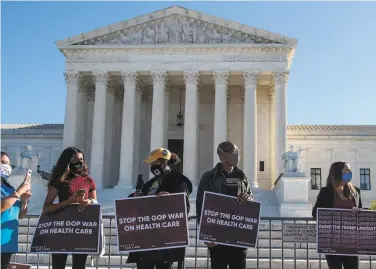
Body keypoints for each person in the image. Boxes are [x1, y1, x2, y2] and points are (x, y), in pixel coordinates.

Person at [126, 148, 193, 269]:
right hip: (145, 239)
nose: (151, 165)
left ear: (164, 162)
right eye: (151, 163)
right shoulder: (151, 183)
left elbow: (184, 206)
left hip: (165, 241)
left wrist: (170, 199)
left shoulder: (178, 180)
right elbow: (137, 202)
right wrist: (134, 196)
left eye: (154, 162)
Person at [196, 141, 253, 269]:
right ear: (222, 155)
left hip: (238, 234)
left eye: (237, 152)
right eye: (233, 152)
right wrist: (206, 234)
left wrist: (248, 198)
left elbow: (250, 197)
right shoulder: (209, 177)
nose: (236, 155)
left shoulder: (241, 176)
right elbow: (201, 205)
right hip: (217, 235)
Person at [43, 147, 98, 269]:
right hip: (61, 228)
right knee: (58, 265)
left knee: (79, 265)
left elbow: (95, 201)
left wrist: (88, 200)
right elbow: (46, 208)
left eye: (81, 160)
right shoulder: (60, 181)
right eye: (75, 160)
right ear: (67, 162)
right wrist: (68, 202)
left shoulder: (89, 180)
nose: (79, 163)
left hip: (81, 228)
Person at [312, 161, 362, 269]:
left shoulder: (355, 191)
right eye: (346, 171)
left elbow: (361, 213)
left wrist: (358, 211)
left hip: (351, 241)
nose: (349, 173)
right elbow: (315, 213)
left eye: (350, 171)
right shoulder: (326, 192)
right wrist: (332, 214)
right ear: (337, 173)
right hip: (332, 241)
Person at [1, 151, 32, 269]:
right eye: (2, 162)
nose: (5, 166)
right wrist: (19, 192)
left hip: (7, 241)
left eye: (8, 163)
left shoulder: (10, 187)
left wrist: (24, 200)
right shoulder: (15, 190)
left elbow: (21, 215)